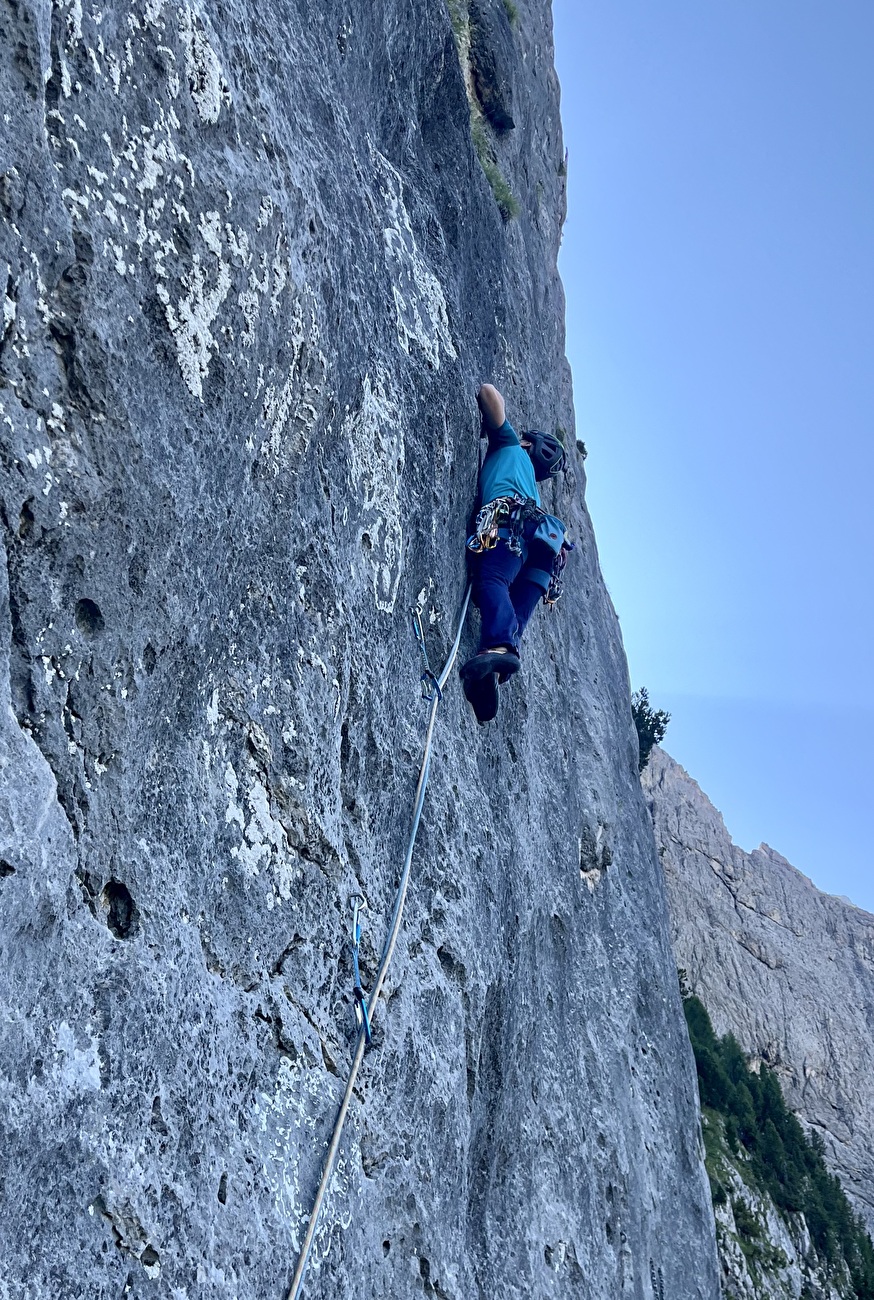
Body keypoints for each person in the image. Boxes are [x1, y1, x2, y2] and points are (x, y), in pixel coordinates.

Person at [460, 383, 567, 724]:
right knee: (512, 609)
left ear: (527, 443)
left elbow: (488, 392)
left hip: (513, 527)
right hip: (546, 547)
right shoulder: (531, 485)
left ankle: (500, 648)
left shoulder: (509, 446)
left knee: (490, 579)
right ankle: (489, 668)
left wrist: (497, 424)